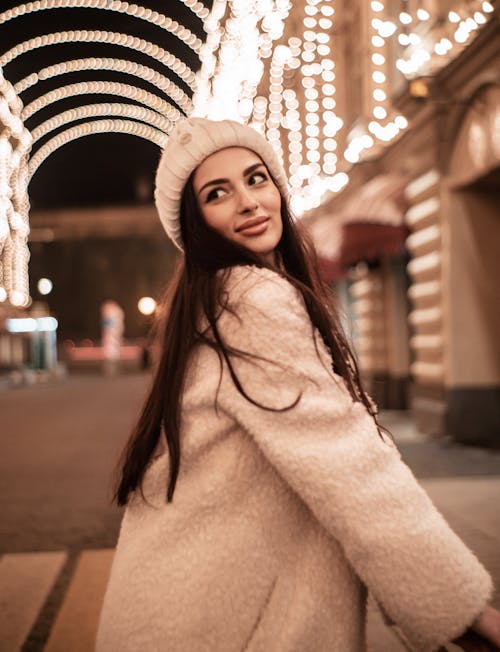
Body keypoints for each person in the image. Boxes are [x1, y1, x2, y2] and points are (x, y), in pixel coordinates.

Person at [95, 117, 500, 652]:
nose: (247, 201)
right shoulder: (250, 301)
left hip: (186, 609)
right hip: (225, 624)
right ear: (195, 225)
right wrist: (460, 607)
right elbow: (349, 462)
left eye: (256, 178)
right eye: (218, 193)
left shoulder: (215, 303)